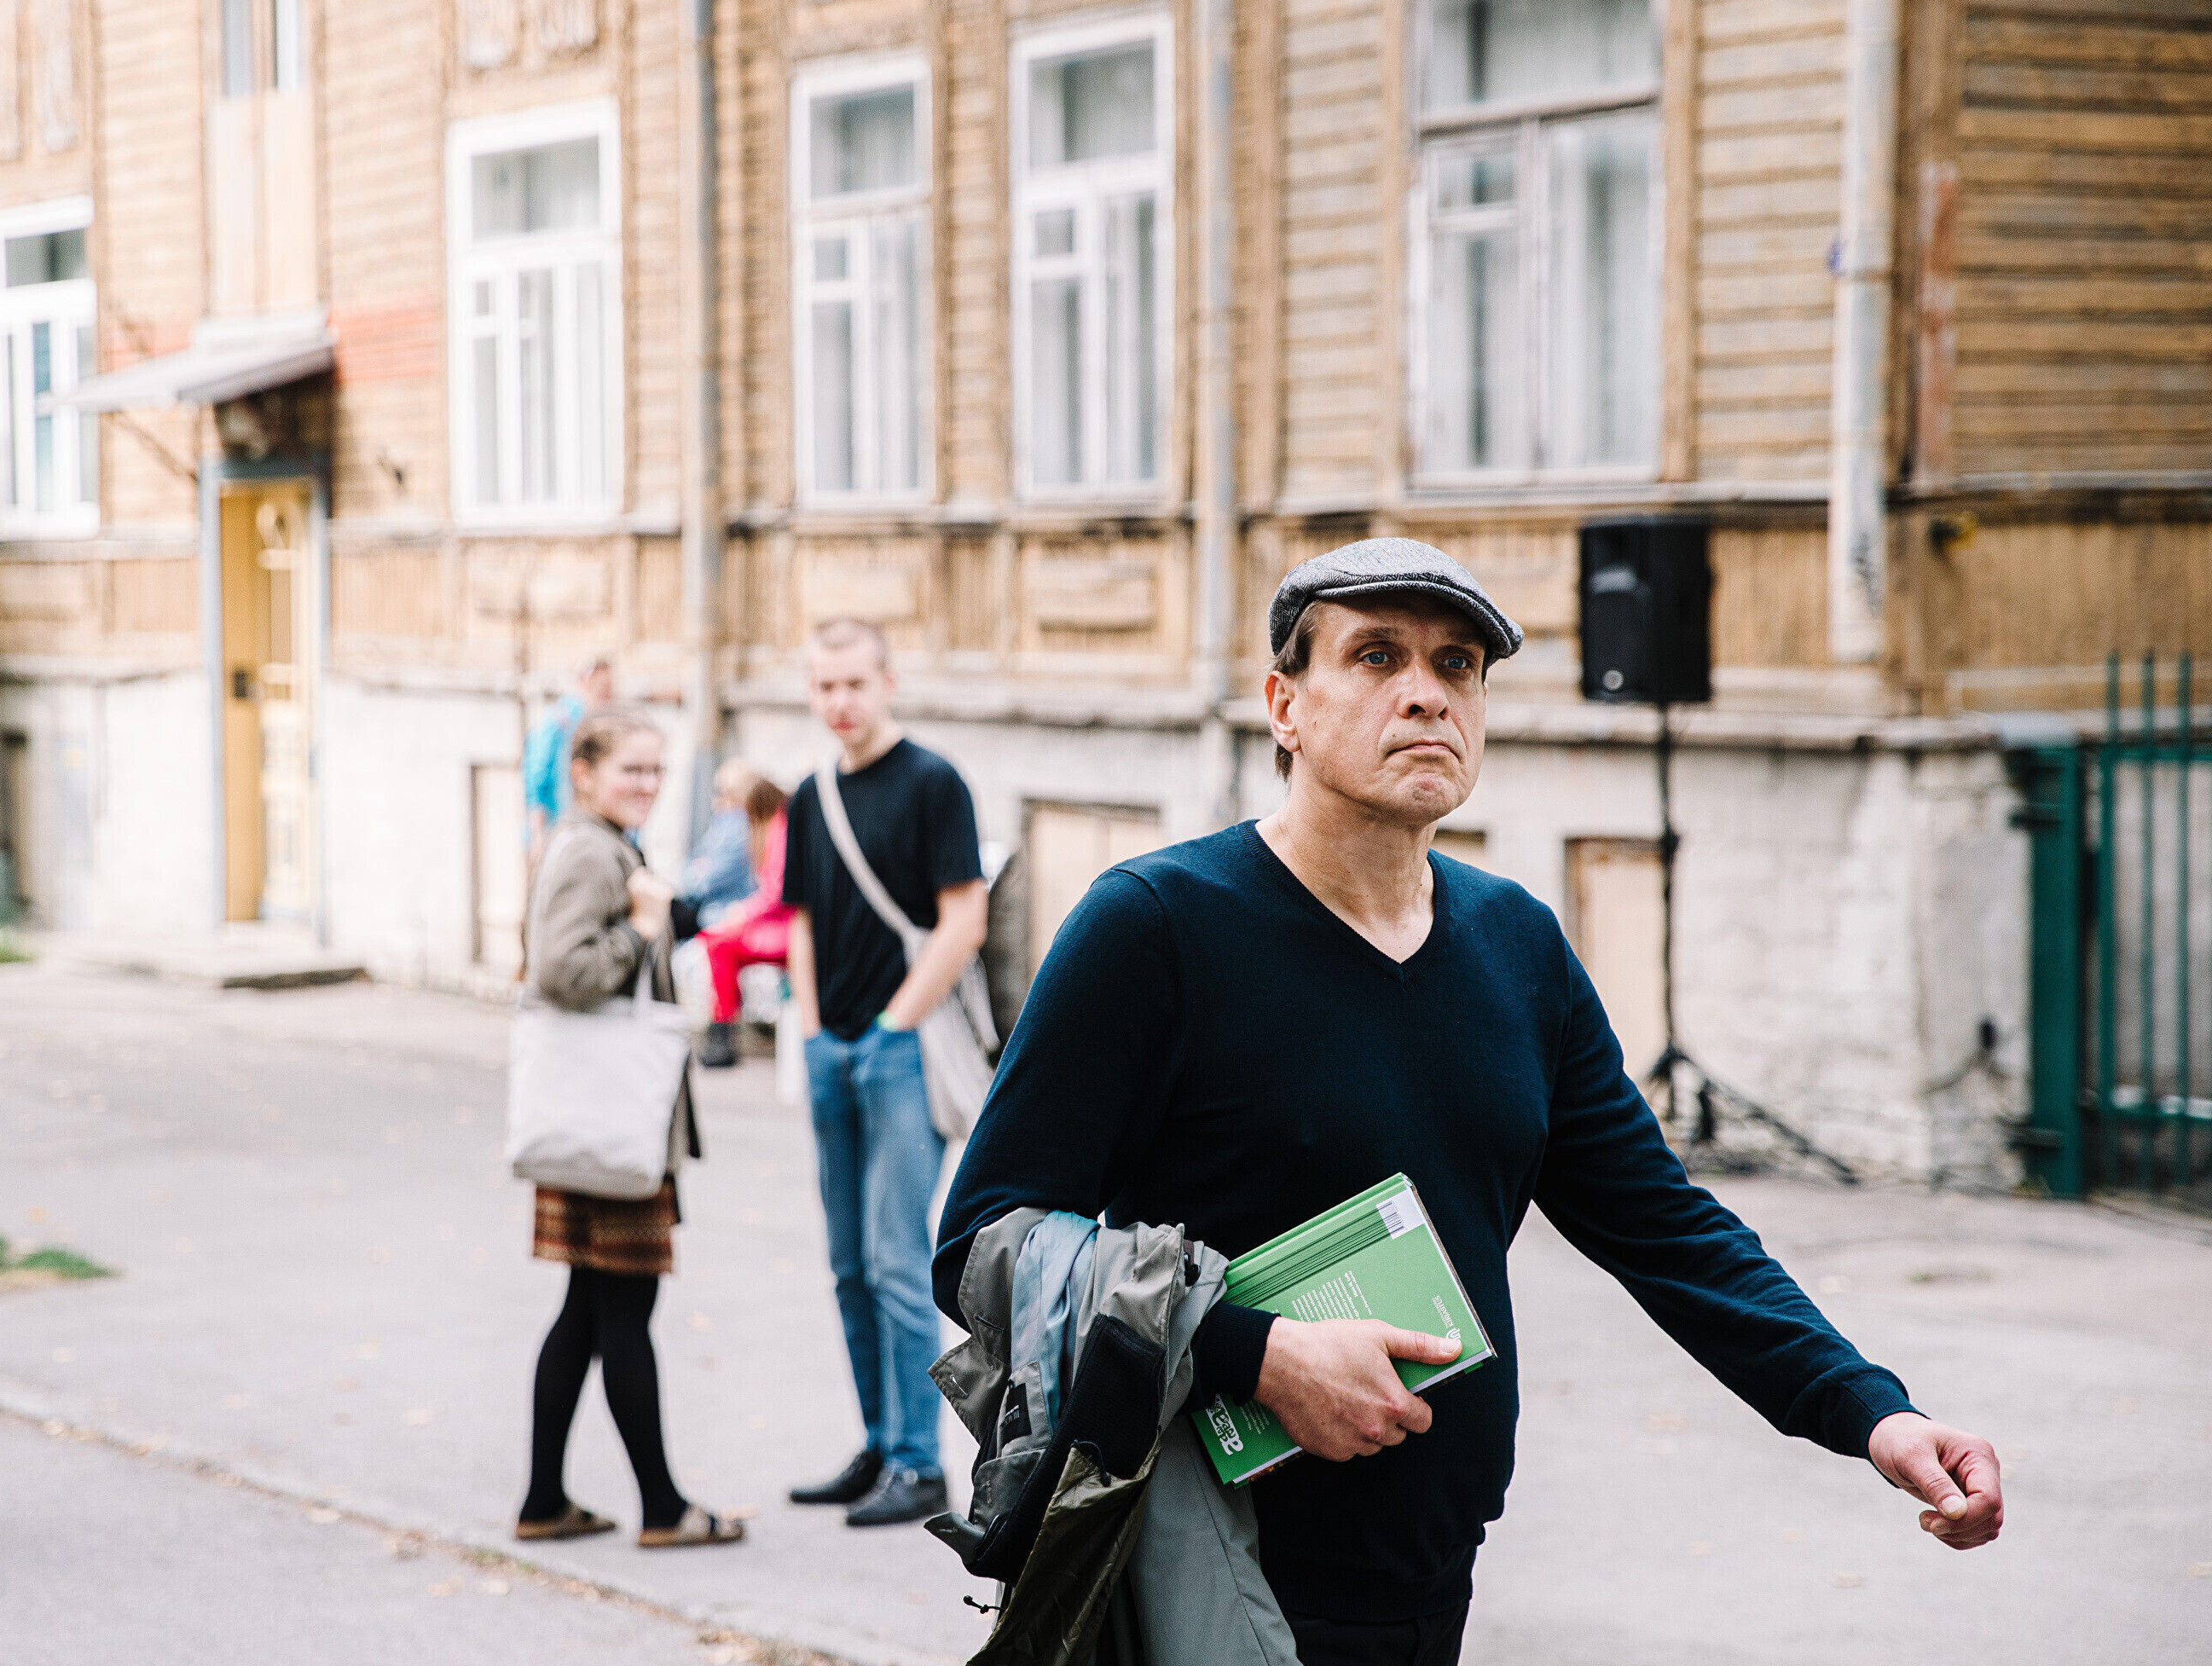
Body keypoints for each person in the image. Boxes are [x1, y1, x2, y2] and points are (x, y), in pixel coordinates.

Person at [935, 539, 2005, 1664]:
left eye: (1457, 665)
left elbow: (1667, 1227)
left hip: (1435, 1584)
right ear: (1285, 705)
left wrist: (1872, 1410)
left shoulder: (1517, 946)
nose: (1426, 693)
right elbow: (983, 1240)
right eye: (1377, 656)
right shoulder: (1154, 927)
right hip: (1199, 1576)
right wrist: (1255, 1354)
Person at [516, 706, 744, 1550]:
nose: (647, 783)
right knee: (622, 1310)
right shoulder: (591, 851)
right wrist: (642, 928)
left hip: (598, 1115)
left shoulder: (604, 843)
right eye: (630, 769)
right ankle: (663, 1507)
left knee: (587, 1308)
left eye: (655, 769)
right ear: (583, 772)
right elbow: (561, 970)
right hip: (612, 1118)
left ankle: (544, 1499)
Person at [782, 619, 987, 1529]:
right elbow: (798, 918)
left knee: (895, 1260)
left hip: (901, 1050)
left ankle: (918, 1462)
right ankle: (877, 1442)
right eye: (824, 686)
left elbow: (964, 919)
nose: (840, 701)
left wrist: (890, 1025)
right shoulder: (810, 793)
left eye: (855, 683)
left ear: (887, 682)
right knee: (847, 1264)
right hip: (830, 1049)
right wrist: (812, 1030)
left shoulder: (934, 781)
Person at [684, 762, 789, 1070]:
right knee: (716, 940)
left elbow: (775, 893)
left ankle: (722, 1031)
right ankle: (723, 1028)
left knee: (717, 943)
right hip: (777, 921)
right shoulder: (769, 827)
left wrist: (741, 915)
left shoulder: (774, 829)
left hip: (785, 927)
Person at [524, 656, 615, 865]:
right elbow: (537, 777)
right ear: (584, 682)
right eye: (602, 688)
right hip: (556, 830)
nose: (607, 695)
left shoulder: (602, 722)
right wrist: (537, 833)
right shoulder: (559, 721)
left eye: (610, 688)